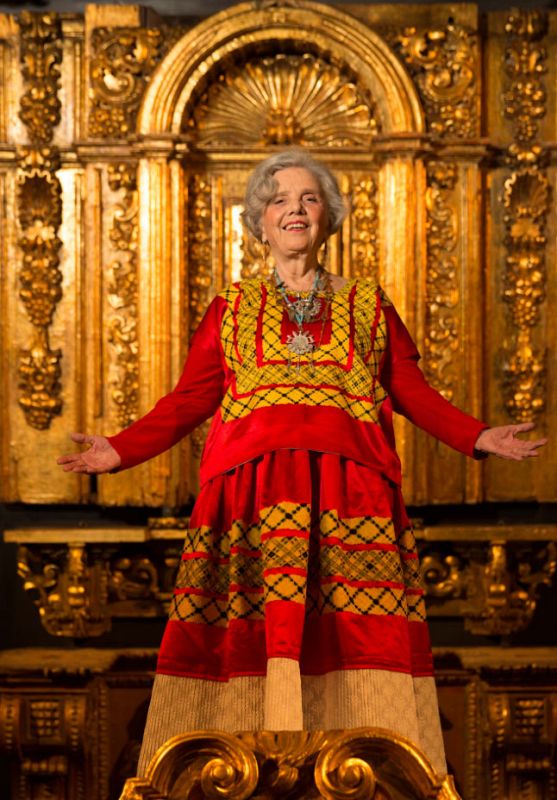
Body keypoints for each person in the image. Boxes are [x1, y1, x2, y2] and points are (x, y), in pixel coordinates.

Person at [57, 149, 547, 776]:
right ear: (259, 221)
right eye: (280, 200)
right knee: (254, 638)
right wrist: (121, 448)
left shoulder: (369, 304)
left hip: (352, 498)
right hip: (249, 500)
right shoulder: (231, 308)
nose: (295, 209)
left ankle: (358, 770)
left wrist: (479, 437)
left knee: (352, 639)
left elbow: (413, 393)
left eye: (309, 198)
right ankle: (242, 772)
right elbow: (189, 400)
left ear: (329, 218)